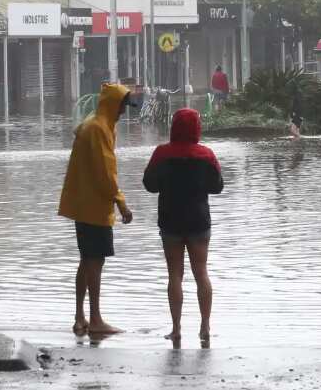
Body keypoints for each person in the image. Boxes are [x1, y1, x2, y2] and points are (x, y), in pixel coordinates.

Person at [59, 82, 135, 336]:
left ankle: (81, 316)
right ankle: (95, 319)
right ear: (113, 105)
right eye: (123, 106)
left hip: (84, 204)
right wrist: (121, 202)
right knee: (95, 262)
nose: (124, 112)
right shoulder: (99, 129)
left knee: (86, 260)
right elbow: (106, 173)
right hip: (94, 207)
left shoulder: (92, 124)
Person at [143, 109, 224, 343]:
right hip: (199, 221)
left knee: (174, 275)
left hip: (171, 221)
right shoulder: (206, 155)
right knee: (201, 273)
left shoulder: (161, 154)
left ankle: (177, 328)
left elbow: (149, 184)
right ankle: (205, 326)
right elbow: (217, 187)